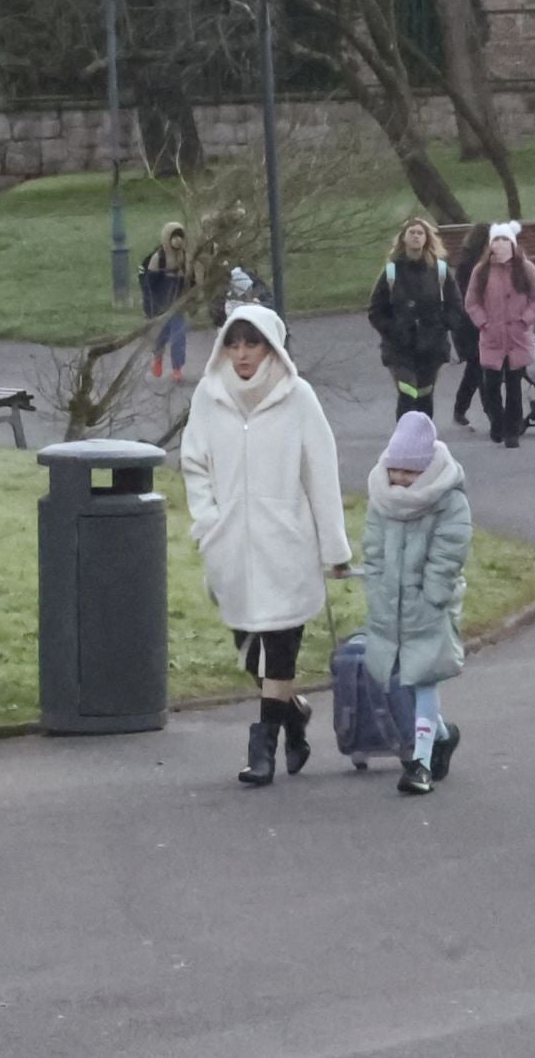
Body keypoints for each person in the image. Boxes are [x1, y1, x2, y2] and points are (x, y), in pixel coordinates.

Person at [181, 306, 354, 786]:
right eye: (233, 345)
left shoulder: (299, 398)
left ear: (271, 348)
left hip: (287, 546)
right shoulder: (209, 396)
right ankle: (294, 714)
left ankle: (262, 751)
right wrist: (209, 520)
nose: (241, 356)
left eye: (251, 345)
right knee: (249, 652)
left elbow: (321, 474)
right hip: (231, 546)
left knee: (279, 650)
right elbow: (193, 462)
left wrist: (334, 548)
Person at [360, 412, 473, 795]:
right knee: (401, 680)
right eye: (396, 471)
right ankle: (442, 735)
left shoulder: (449, 503)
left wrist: (434, 595)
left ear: (426, 470)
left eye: (410, 473)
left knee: (424, 680)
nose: (401, 480)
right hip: (390, 604)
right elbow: (373, 551)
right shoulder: (382, 500)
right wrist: (376, 592)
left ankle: (420, 762)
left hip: (430, 607)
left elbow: (450, 552)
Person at [367, 216, 465, 420]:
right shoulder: (391, 272)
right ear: (403, 238)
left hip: (432, 346)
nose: (416, 236)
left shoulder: (440, 271)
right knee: (407, 390)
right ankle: (403, 438)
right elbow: (376, 311)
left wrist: (443, 325)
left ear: (427, 239)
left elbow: (455, 305)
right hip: (399, 348)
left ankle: (424, 438)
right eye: (411, 232)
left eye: (420, 233)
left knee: (424, 394)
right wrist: (393, 330)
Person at [464, 220, 535, 448]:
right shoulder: (482, 271)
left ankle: (512, 429)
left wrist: (525, 319)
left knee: (514, 385)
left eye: (505, 239)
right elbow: (472, 302)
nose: (500, 244)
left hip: (517, 336)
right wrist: (483, 323)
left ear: (513, 243)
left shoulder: (525, 269)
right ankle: (496, 422)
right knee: (492, 384)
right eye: (496, 239)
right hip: (492, 337)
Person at [141, 222, 194, 382]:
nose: (178, 241)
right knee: (161, 335)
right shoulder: (159, 258)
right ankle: (157, 358)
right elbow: (149, 285)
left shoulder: (186, 256)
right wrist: (152, 307)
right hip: (161, 306)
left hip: (178, 304)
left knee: (179, 335)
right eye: (174, 237)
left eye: (180, 237)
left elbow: (191, 282)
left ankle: (177, 368)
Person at [450, 224, 490, 430]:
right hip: (469, 323)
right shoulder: (470, 265)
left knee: (475, 368)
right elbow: (466, 295)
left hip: (473, 323)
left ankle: (461, 408)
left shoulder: (473, 262)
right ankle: (490, 410)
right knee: (481, 366)